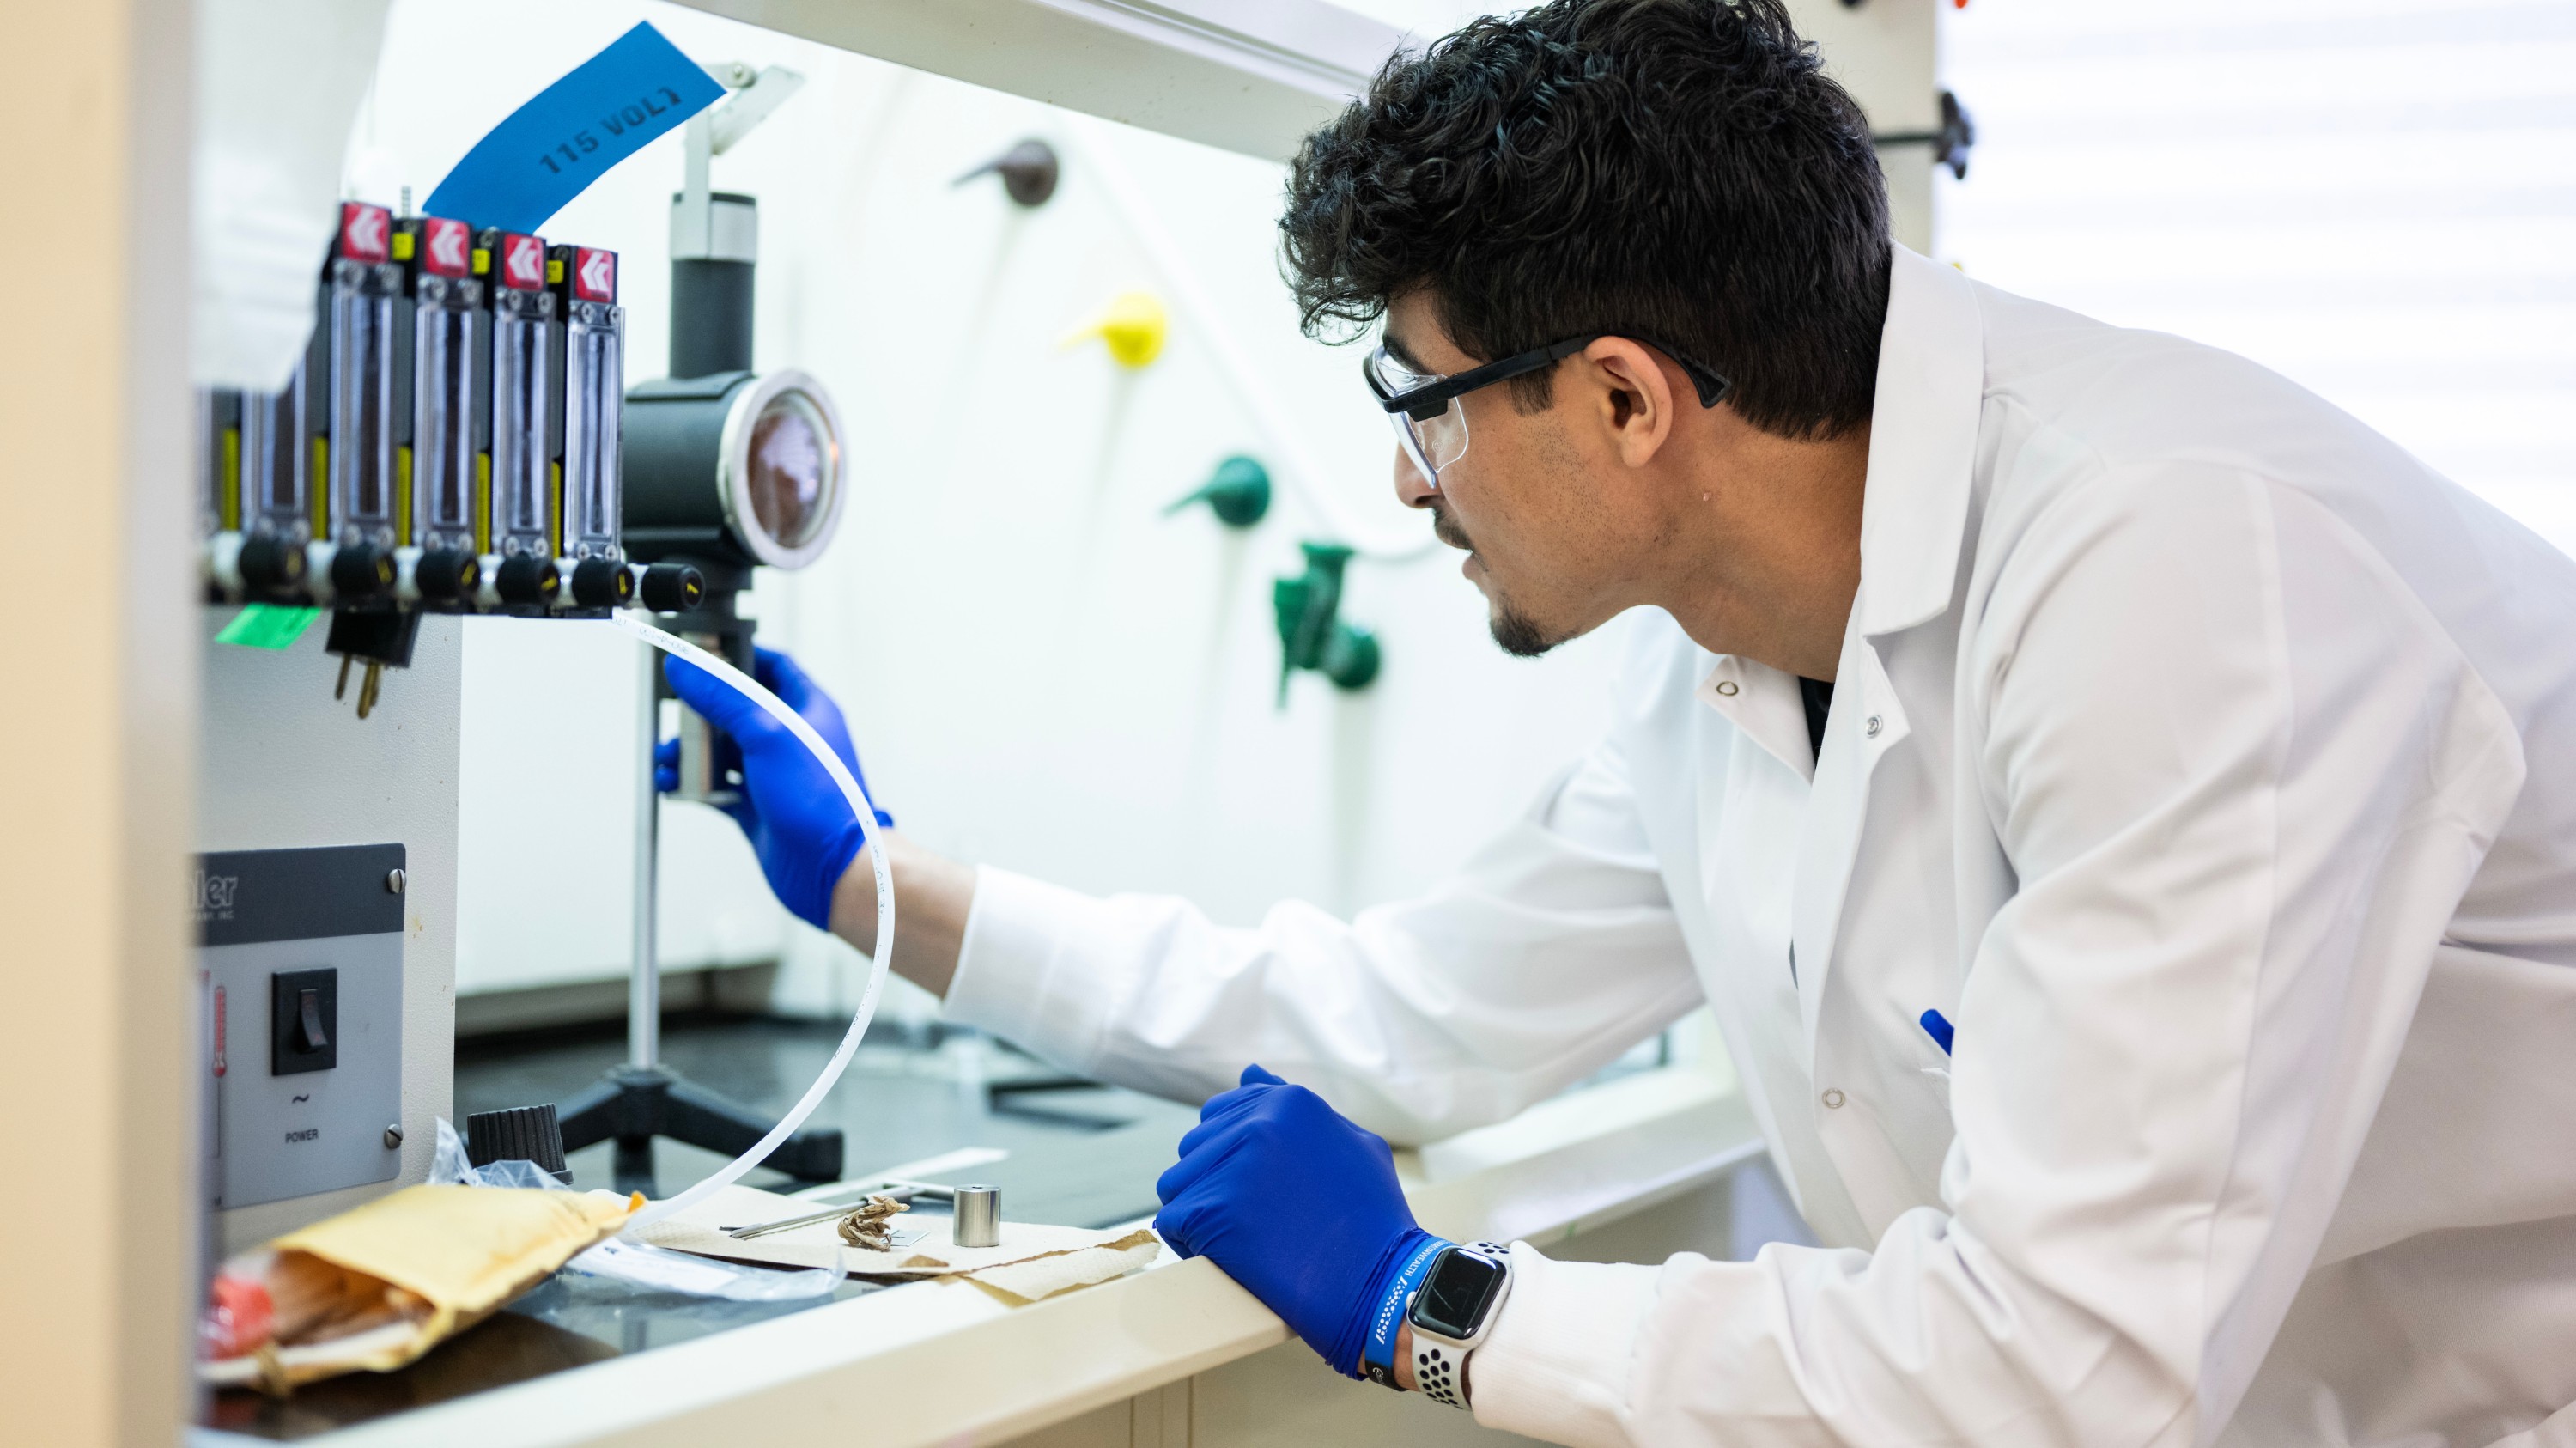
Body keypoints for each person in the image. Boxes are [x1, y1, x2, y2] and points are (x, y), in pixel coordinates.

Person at [660, 1, 2576, 1442]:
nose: (1417, 485)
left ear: (1626, 401)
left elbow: (2052, 1373)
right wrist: (871, 883)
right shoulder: (1726, 657)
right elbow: (1396, 1019)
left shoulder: (2178, 575)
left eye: (1424, 404)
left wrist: (1438, 1304)